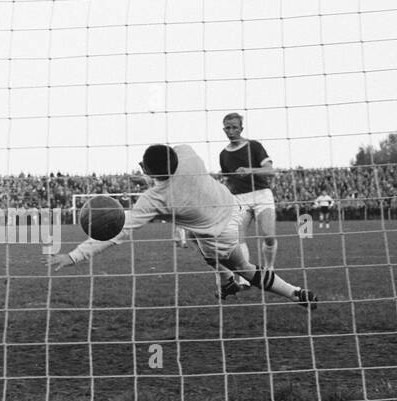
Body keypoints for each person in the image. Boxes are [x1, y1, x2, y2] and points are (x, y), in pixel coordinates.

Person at [47, 143, 317, 309]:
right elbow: (170, 166)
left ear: (150, 171)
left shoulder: (155, 199)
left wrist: (73, 256)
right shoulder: (187, 154)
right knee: (209, 253)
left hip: (218, 233)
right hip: (231, 207)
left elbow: (118, 232)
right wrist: (153, 176)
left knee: (243, 269)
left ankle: (294, 293)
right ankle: (226, 284)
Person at [218, 112, 279, 287]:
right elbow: (228, 179)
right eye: (227, 128)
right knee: (238, 239)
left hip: (261, 194)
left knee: (268, 235)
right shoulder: (223, 155)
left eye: (234, 127)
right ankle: (246, 278)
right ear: (224, 129)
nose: (231, 131)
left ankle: (269, 267)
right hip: (239, 199)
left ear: (241, 128)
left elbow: (270, 170)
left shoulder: (254, 146)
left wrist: (250, 170)